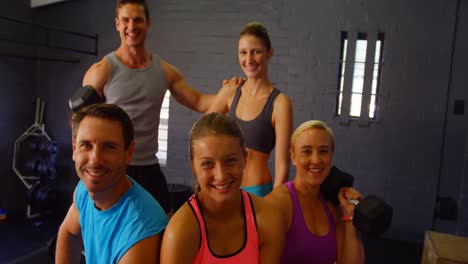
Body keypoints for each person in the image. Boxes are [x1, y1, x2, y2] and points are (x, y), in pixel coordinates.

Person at [82, 0, 240, 212]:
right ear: (117, 24)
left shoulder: (164, 71)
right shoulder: (102, 70)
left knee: (162, 228)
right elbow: (81, 121)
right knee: (116, 232)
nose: (131, 26)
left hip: (149, 167)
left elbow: (201, 102)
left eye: (138, 20)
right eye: (125, 20)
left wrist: (229, 93)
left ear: (148, 23)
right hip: (115, 167)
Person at [160, 112, 285, 263]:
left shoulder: (268, 218)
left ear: (245, 159)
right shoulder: (181, 232)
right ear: (193, 166)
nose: (220, 175)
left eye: (230, 161)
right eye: (208, 163)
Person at [56, 104, 168, 263]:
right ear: (75, 149)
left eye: (109, 147)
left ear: (128, 153)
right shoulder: (83, 190)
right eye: (86, 145)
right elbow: (69, 232)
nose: (95, 159)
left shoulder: (139, 233)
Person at [207, 22, 293, 197]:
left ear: (269, 53)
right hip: (224, 188)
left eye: (256, 52)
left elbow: (282, 167)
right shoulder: (231, 91)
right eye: (243, 52)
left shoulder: (280, 103)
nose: (249, 60)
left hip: (257, 192)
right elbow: (201, 134)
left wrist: (274, 206)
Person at [265, 120, 365, 264]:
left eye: (323, 151)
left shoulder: (331, 206)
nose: (316, 160)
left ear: (331, 156)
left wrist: (350, 216)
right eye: (307, 151)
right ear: (293, 157)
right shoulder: (278, 204)